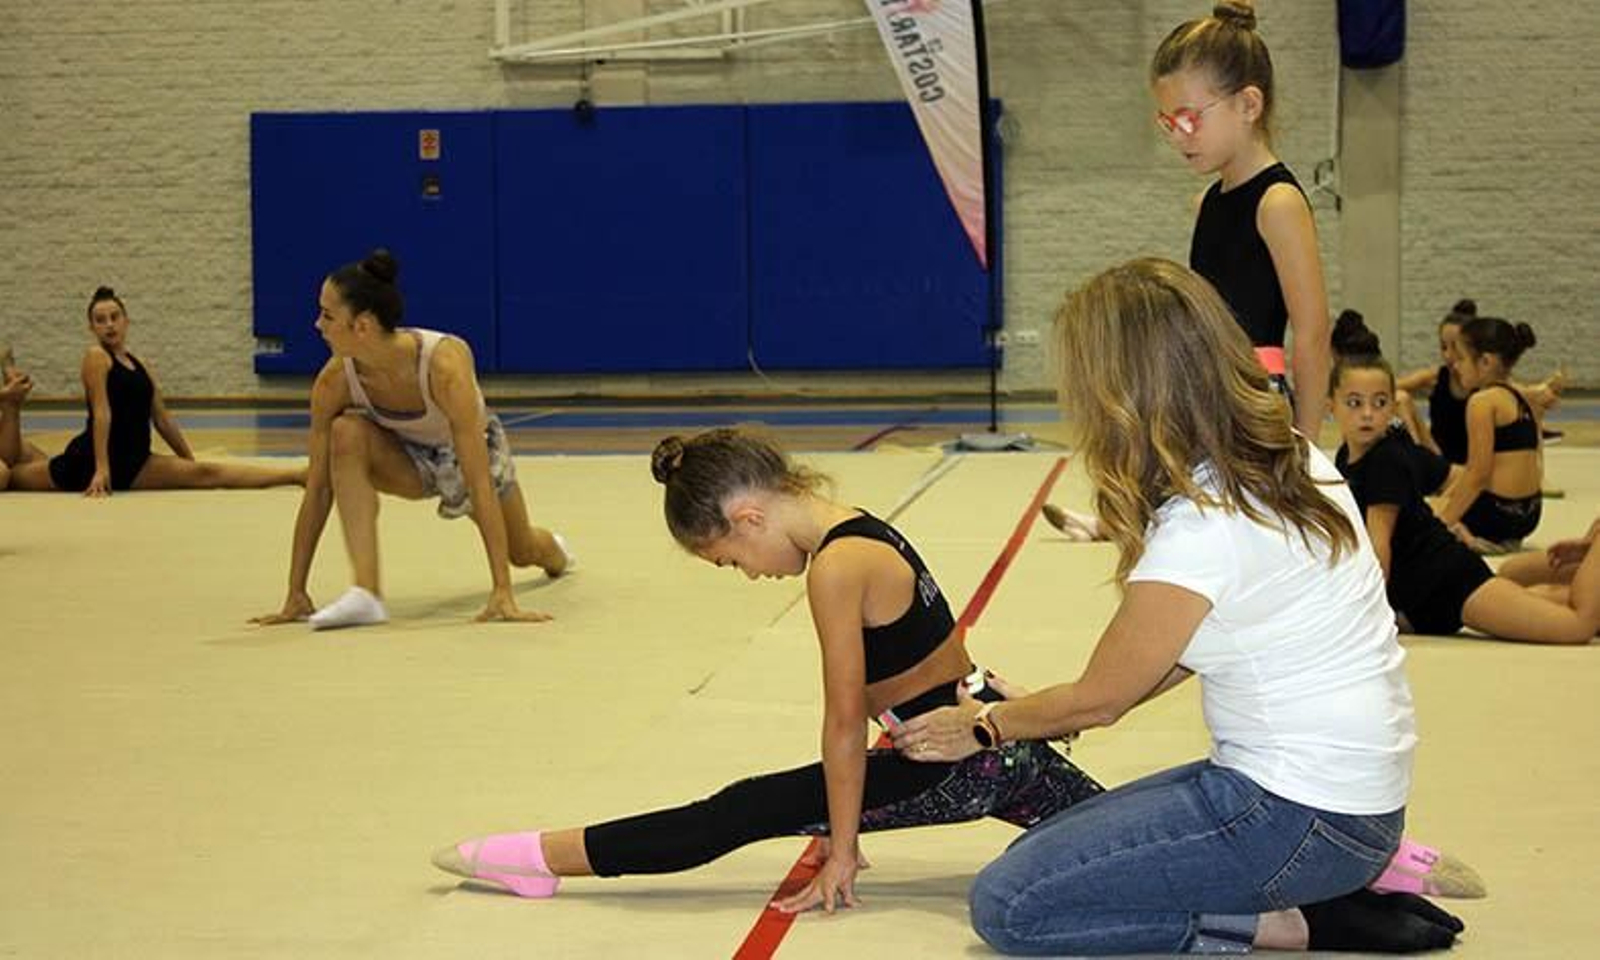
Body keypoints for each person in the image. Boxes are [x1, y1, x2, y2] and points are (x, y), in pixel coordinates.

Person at [893, 259, 1464, 955]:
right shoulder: (1292, 456)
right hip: (1345, 805)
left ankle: (1288, 922)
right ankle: (1321, 896)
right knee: (1050, 850)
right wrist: (1044, 706)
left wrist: (985, 725)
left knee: (1010, 905)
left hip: (1297, 816)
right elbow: (1166, 659)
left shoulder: (1204, 522)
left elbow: (1102, 700)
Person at [429, 428, 1106, 912]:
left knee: (744, 808)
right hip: (997, 738)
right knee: (1131, 836)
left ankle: (535, 856)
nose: (747, 574)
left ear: (747, 517)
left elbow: (844, 724)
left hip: (959, 761)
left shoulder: (837, 568)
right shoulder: (865, 527)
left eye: (729, 559)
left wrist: (840, 847)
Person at [250, 249, 571, 630]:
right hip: (407, 460)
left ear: (363, 326)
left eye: (328, 315)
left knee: (523, 550)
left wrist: (503, 590)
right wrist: (295, 592)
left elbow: (478, 479)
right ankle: (366, 592)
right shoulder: (334, 383)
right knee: (344, 434)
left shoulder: (444, 365)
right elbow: (318, 488)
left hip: (468, 455)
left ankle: (558, 552)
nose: (317, 324)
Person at [1329, 317, 1598, 644]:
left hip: (1451, 582)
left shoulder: (1386, 460)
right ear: (1331, 406)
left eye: (1380, 403)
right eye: (1354, 403)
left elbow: (1378, 544)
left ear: (1393, 407)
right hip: (1424, 592)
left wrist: (1368, 616)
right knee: (1526, 589)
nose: (1368, 414)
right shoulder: (1347, 456)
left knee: (1575, 625)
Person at [1151, 1, 1330, 440]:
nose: (1178, 136)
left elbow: (1312, 336)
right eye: (1168, 121)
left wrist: (1308, 449)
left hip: (1255, 405)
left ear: (1248, 104)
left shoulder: (1278, 203)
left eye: (1189, 118)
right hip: (1207, 397)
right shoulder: (1207, 202)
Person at [0, 287, 305, 496]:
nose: (109, 325)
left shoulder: (139, 363)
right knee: (11, 476)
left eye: (114, 317)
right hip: (88, 461)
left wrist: (187, 459)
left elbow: (162, 418)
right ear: (91, 327)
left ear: (126, 320)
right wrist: (101, 470)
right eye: (100, 320)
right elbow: (102, 413)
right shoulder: (96, 358)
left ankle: (295, 476)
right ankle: (11, 405)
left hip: (136, 460)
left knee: (206, 475)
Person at [1395, 299, 1563, 464]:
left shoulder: (1489, 389)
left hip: (1475, 462)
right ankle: (1414, 462)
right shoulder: (1435, 377)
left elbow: (1524, 392)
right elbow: (1392, 386)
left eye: (1456, 348)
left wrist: (1543, 394)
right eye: (1443, 347)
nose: (1448, 355)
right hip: (1439, 457)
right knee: (1401, 398)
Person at [1436, 315, 1545, 551]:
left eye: (1462, 359)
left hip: (1498, 516)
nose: (1455, 365)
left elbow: (1478, 473)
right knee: (1451, 490)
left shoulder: (1482, 402)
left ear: (1485, 361)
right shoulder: (1518, 395)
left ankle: (1468, 534)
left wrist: (1442, 523)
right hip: (1530, 515)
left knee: (1421, 509)